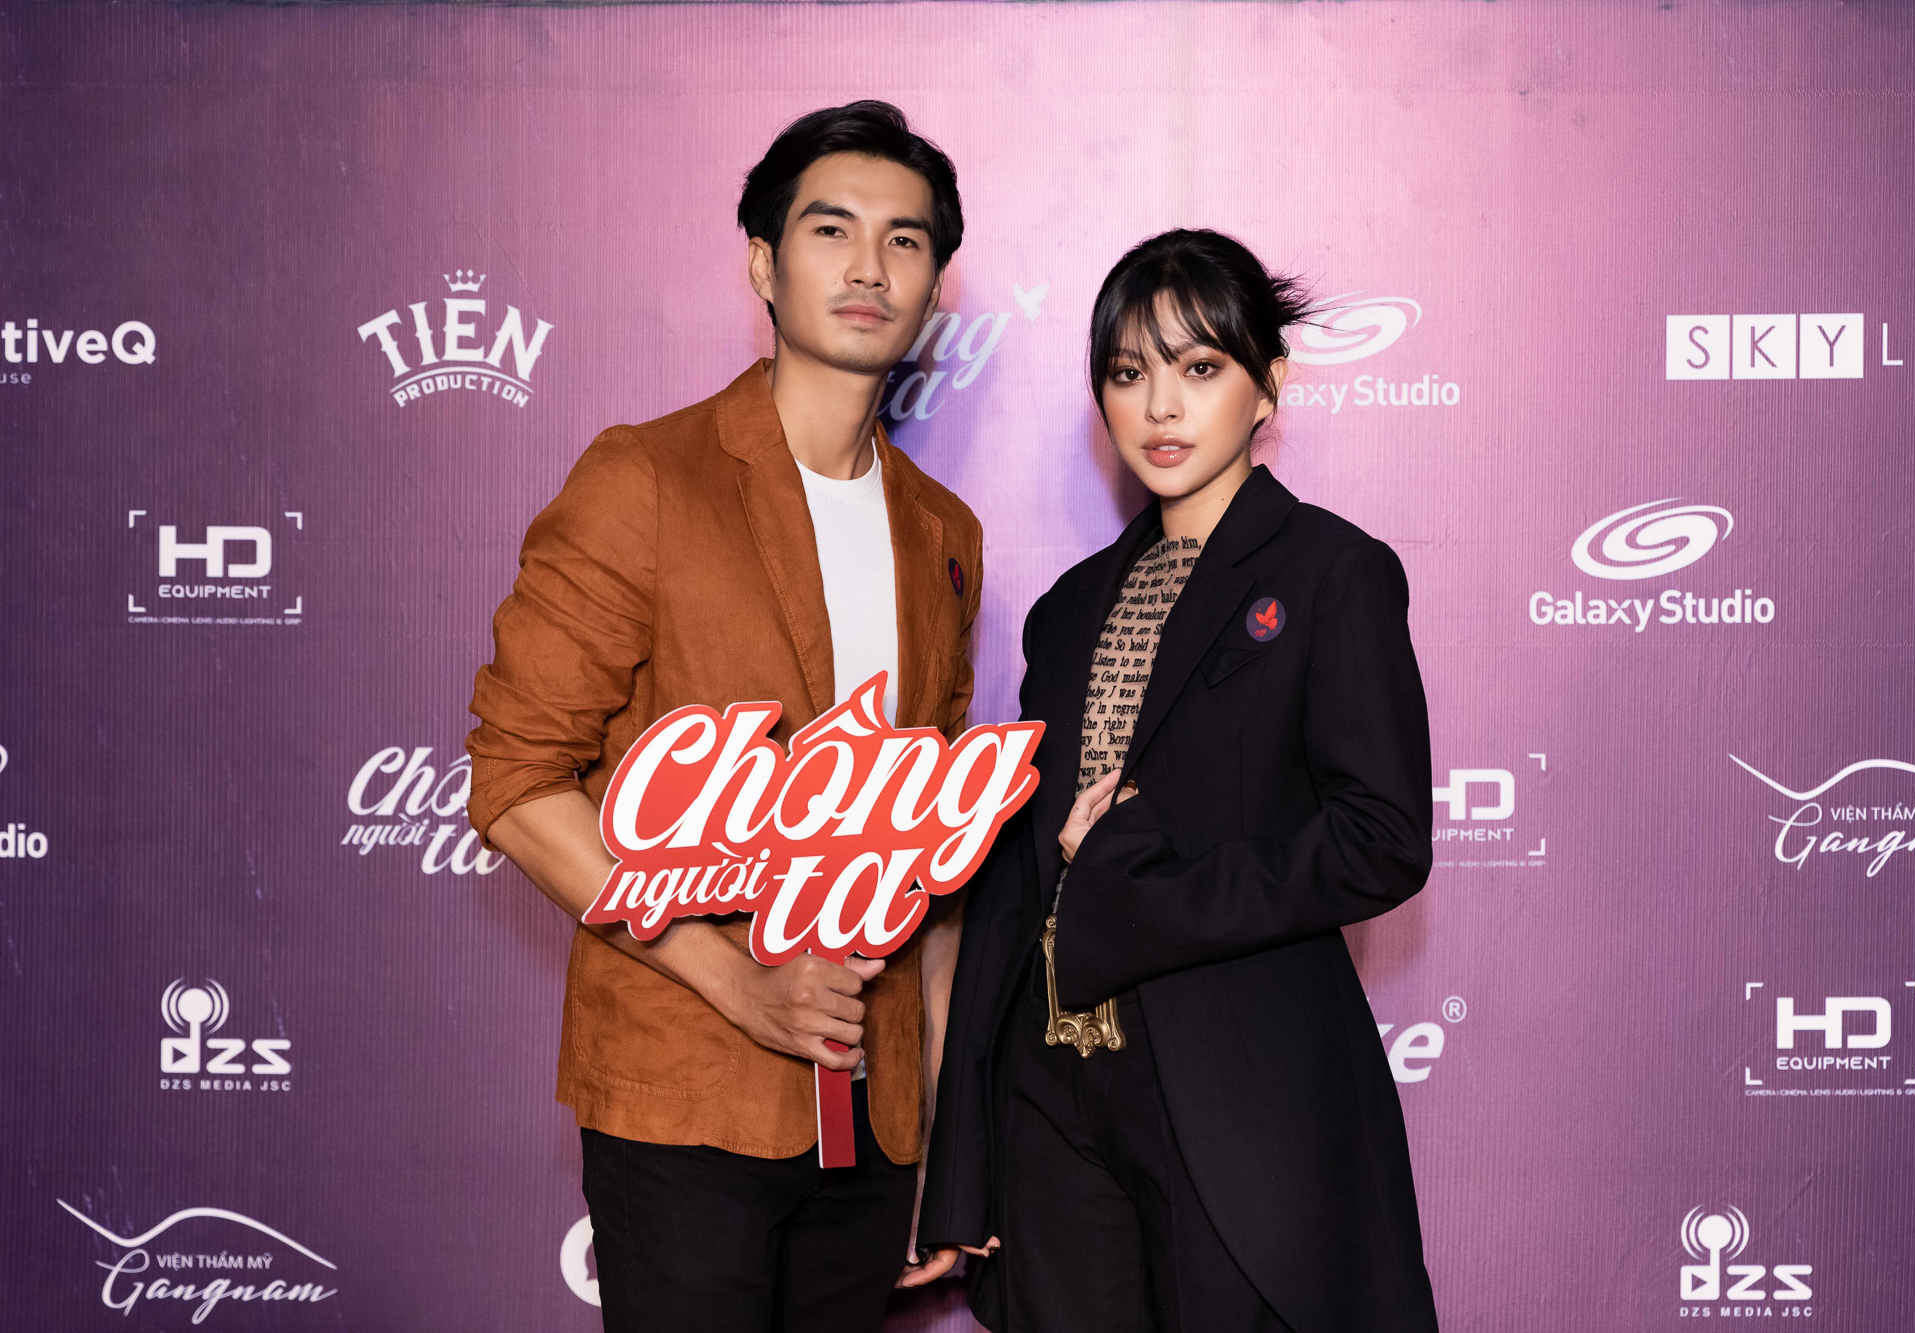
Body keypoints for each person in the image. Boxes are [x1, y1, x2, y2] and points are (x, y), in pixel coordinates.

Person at [465, 101, 984, 1333]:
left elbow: (935, 861)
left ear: (933, 285)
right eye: (830, 229)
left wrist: (941, 1129)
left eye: (905, 240)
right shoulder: (646, 479)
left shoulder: (943, 532)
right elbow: (516, 783)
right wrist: (733, 976)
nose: (868, 267)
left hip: (875, 1123)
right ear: (762, 261)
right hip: (685, 1094)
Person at [909, 229, 1439, 1333]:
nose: (1160, 405)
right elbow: (1012, 885)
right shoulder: (1067, 609)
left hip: (1232, 1089)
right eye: (1126, 372)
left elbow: (1379, 838)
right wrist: (960, 1164)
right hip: (1049, 1094)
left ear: (1268, 385)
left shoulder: (1332, 572)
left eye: (1199, 367)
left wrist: (1141, 883)